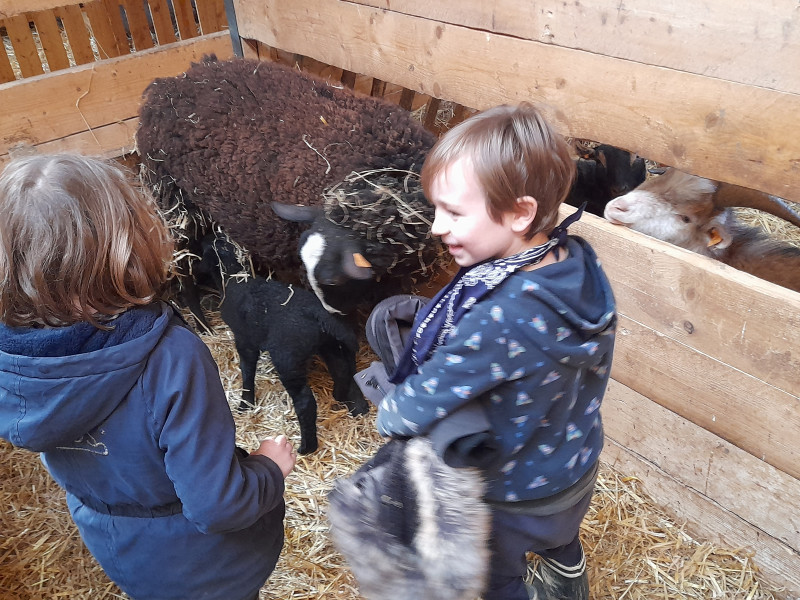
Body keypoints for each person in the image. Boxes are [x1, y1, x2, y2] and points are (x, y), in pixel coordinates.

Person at [0, 154, 296, 600]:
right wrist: (270, 468)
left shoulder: (14, 363)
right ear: (129, 238)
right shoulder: (171, 358)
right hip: (209, 568)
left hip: (121, 549)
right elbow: (217, 505)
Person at [369, 103, 617, 600]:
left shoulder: (497, 321)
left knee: (492, 578)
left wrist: (388, 407)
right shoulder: (575, 264)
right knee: (559, 535)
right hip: (574, 462)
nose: (438, 227)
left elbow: (416, 406)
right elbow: (522, 353)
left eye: (455, 212)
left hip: (513, 493)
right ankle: (567, 571)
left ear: (520, 212)